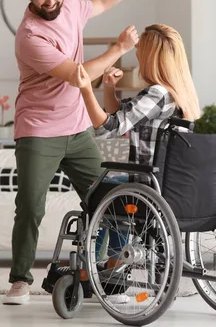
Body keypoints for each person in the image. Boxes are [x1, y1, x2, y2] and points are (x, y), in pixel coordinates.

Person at [3, 0, 155, 305]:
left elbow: (102, 0)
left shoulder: (69, 6)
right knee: (30, 205)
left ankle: (109, 276)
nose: (51, 1)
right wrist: (119, 48)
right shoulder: (29, 35)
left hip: (78, 127)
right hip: (39, 129)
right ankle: (20, 281)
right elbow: (79, 76)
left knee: (109, 198)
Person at [69, 24, 201, 265]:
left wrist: (87, 89)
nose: (137, 56)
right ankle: (104, 264)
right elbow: (121, 115)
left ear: (151, 57)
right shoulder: (180, 94)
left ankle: (105, 264)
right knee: (110, 188)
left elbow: (108, 128)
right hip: (175, 187)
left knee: (99, 192)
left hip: (149, 185)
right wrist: (109, 87)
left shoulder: (157, 94)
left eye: (140, 51)